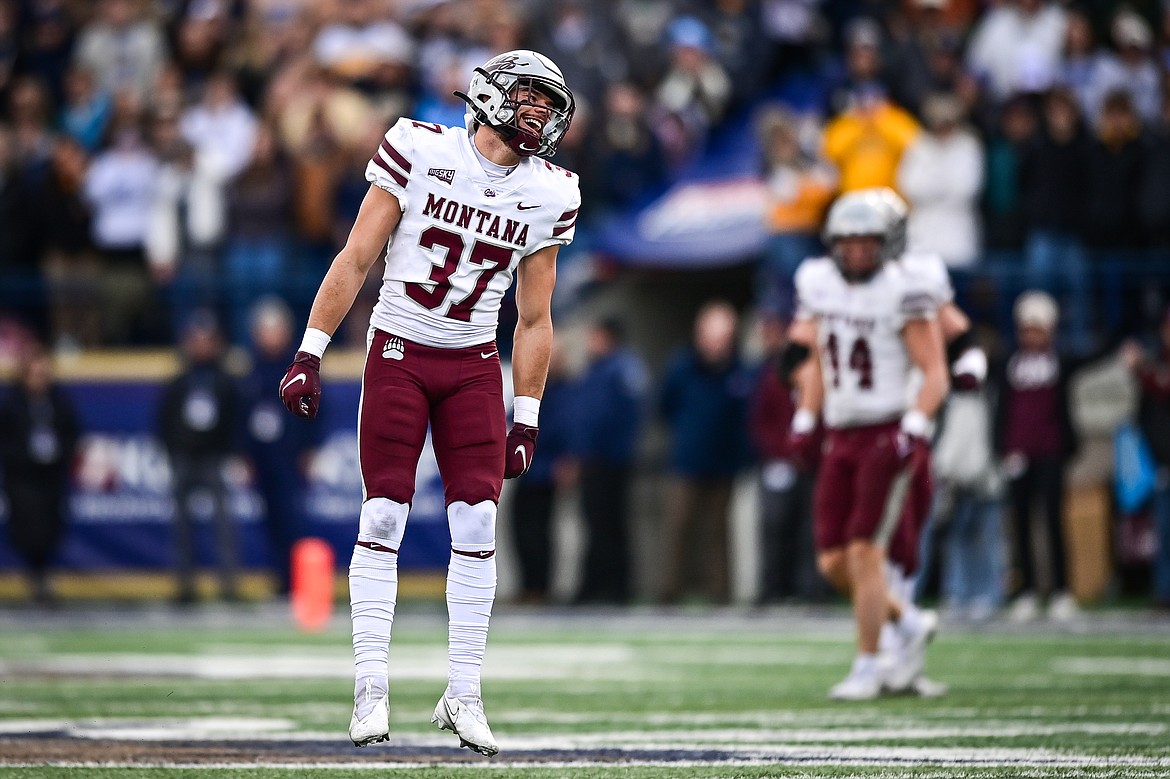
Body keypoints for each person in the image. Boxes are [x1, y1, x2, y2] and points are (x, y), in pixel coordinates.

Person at [277, 50, 579, 757]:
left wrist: (527, 413)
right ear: (490, 95)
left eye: (547, 102)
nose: (539, 112)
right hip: (399, 350)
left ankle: (464, 692)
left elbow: (535, 319)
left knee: (477, 519)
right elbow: (356, 256)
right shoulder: (419, 148)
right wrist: (309, 351)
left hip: (475, 362)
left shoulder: (551, 192)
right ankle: (370, 683)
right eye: (529, 97)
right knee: (383, 508)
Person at [788, 189, 950, 700]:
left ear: (888, 244)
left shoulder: (905, 290)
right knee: (832, 561)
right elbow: (816, 360)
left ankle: (867, 663)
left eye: (867, 244)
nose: (856, 253)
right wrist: (806, 416)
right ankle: (906, 622)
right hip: (841, 433)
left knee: (864, 550)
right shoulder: (819, 286)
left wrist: (915, 428)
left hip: (885, 431)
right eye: (848, 243)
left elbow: (935, 373)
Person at [658, 300, 753, 605]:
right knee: (679, 528)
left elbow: (744, 418)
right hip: (686, 461)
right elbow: (664, 407)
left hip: (724, 463)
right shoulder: (682, 367)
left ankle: (719, 594)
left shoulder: (739, 371)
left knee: (718, 532)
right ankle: (670, 592)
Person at [157, 310, 240, 604]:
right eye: (197, 340)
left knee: (224, 525)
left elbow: (234, 419)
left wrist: (230, 452)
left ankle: (228, 586)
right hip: (184, 458)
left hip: (213, 458)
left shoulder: (225, 380)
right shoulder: (179, 381)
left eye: (207, 340)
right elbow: (163, 419)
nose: (202, 346)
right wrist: (172, 451)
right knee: (181, 526)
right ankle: (184, 586)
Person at [240, 297, 320, 597]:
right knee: (270, 522)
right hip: (263, 458)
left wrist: (310, 449)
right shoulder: (251, 371)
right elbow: (242, 417)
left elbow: (315, 412)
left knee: (293, 521)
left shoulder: (298, 367)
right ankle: (278, 580)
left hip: (290, 457)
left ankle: (298, 582)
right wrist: (245, 454)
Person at [571, 317, 648, 605]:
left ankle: (617, 588)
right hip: (594, 460)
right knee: (595, 526)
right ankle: (596, 586)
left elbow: (623, 418)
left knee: (611, 526)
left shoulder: (622, 369)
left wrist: (607, 452)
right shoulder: (598, 369)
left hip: (610, 463)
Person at [0, 342, 79, 605]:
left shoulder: (57, 401)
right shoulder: (13, 404)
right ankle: (37, 577)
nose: (39, 378)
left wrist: (58, 454)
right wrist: (26, 457)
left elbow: (72, 433)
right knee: (27, 529)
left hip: (51, 476)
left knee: (51, 528)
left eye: (43, 372)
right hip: (23, 477)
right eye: (34, 373)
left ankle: (43, 577)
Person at [507, 337, 574, 605]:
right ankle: (528, 585)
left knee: (540, 531)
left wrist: (567, 460)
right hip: (529, 467)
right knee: (521, 529)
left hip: (546, 470)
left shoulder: (565, 392)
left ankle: (540, 587)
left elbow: (567, 430)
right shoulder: (533, 388)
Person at [1123, 309, 1170, 609]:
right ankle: (1164, 592)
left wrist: (1140, 368)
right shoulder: (1157, 361)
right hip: (1163, 463)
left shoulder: (1152, 368)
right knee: (1163, 532)